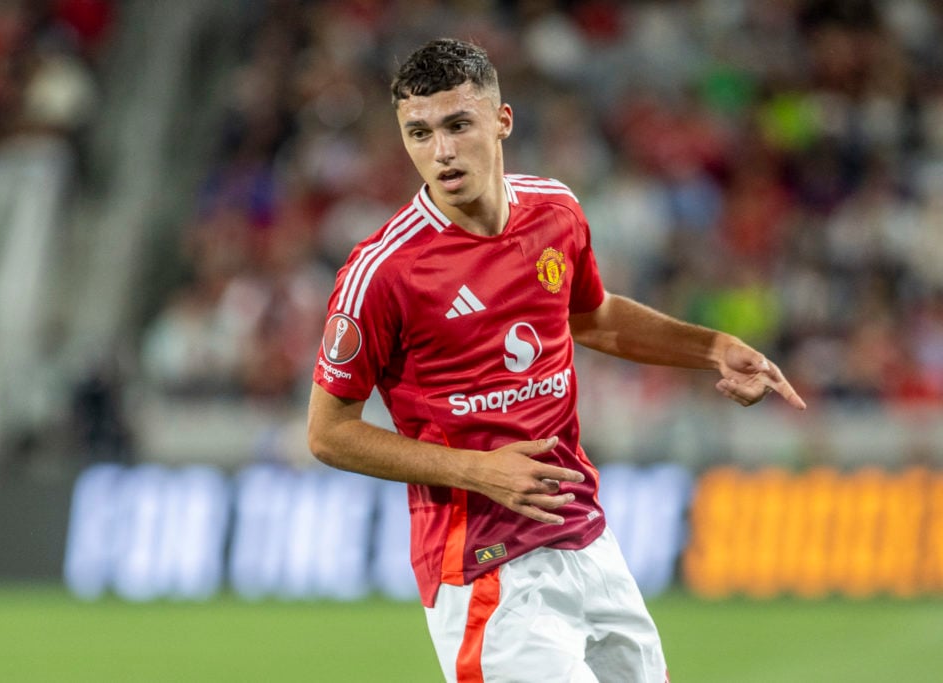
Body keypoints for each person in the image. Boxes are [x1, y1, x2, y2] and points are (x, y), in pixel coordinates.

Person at [307, 38, 806, 683]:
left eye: (458, 125)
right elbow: (328, 432)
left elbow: (590, 317)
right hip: (486, 566)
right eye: (419, 133)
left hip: (588, 540)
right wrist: (477, 470)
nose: (442, 151)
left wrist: (712, 348)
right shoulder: (384, 271)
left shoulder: (554, 210)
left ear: (502, 120)